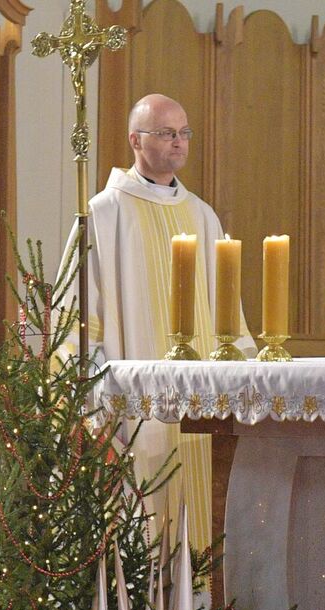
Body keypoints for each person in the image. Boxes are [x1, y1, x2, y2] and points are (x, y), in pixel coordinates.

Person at [78, 93, 250, 555]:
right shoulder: (105, 213)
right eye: (167, 133)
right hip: (138, 411)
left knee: (202, 521)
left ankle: (201, 601)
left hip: (201, 408)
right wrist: (97, 404)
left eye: (184, 132)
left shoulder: (202, 215)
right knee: (143, 528)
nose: (179, 142)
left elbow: (229, 319)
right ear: (135, 140)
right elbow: (81, 322)